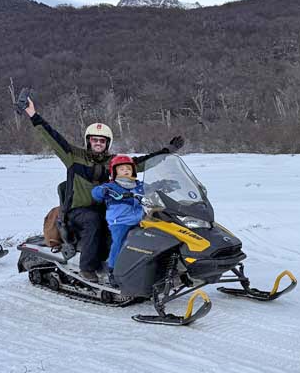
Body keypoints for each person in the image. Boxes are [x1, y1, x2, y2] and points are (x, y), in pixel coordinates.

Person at [23, 97, 183, 282]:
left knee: (140, 218)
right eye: (94, 140)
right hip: (77, 210)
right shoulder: (73, 156)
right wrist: (33, 115)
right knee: (94, 219)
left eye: (102, 140)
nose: (98, 143)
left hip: (106, 207)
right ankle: (87, 267)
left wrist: (165, 152)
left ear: (107, 143)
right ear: (88, 141)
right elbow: (53, 138)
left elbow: (137, 164)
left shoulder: (112, 162)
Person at [91, 156, 145, 281]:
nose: (126, 171)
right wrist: (103, 191)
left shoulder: (138, 185)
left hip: (141, 218)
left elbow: (151, 187)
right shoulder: (112, 186)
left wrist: (164, 184)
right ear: (115, 172)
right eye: (121, 169)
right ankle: (113, 270)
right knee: (119, 241)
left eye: (128, 168)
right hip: (120, 221)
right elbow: (96, 192)